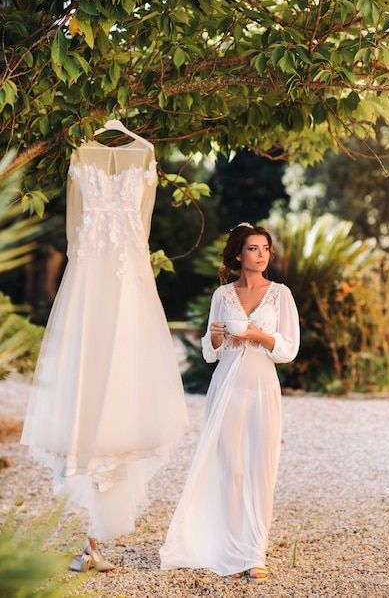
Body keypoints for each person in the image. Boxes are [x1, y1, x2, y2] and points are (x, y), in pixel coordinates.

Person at [21, 130, 189, 570]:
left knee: (121, 377)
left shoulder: (146, 153)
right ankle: (91, 537)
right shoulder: (84, 153)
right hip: (97, 283)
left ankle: (95, 537)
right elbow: (116, 229)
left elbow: (97, 229)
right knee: (91, 374)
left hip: (118, 284)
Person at [160, 222, 300, 581]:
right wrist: (217, 336)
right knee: (231, 469)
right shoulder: (221, 296)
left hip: (262, 388)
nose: (262, 254)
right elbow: (211, 353)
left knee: (260, 468)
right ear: (238, 254)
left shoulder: (280, 293)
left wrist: (259, 336)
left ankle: (255, 554)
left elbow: (288, 349)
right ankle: (230, 550)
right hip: (226, 388)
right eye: (254, 249)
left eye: (265, 248)